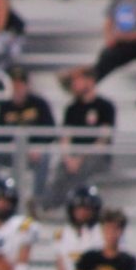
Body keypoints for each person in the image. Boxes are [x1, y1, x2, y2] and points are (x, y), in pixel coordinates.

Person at [42, 67, 116, 209]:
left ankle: (74, 206)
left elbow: (103, 139)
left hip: (96, 156)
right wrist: (68, 157)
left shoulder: (105, 106)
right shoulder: (72, 108)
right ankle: (47, 206)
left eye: (77, 80)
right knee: (60, 170)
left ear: (90, 81)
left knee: (82, 169)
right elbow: (66, 138)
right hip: (74, 155)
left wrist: (80, 158)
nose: (74, 84)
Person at [0, 65, 56, 200]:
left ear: (26, 85)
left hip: (34, 152)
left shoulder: (39, 104)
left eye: (20, 84)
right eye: (14, 84)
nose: (17, 88)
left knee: (44, 157)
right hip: (11, 150)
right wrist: (12, 144)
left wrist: (35, 146)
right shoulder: (5, 106)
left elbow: (50, 132)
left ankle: (37, 199)